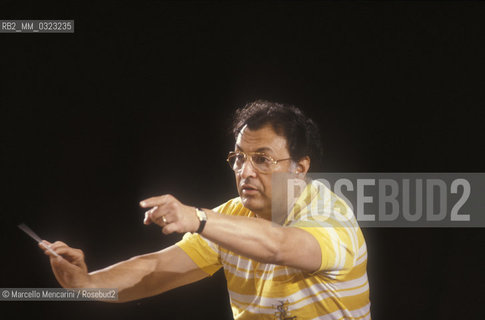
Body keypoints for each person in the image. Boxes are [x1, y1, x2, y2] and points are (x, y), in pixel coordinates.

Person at [39, 100, 371, 319]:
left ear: (300, 168)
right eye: (239, 157)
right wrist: (87, 284)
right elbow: (155, 271)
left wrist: (198, 218)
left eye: (262, 159)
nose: (245, 171)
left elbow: (279, 245)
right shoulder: (231, 218)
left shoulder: (330, 215)